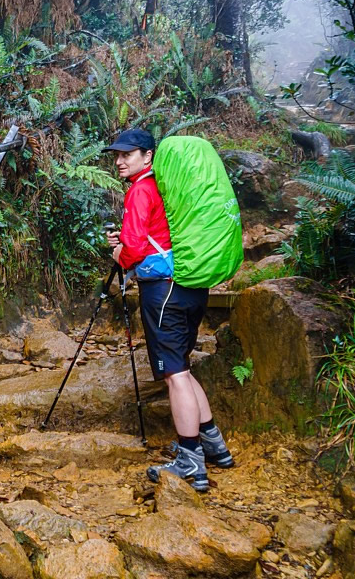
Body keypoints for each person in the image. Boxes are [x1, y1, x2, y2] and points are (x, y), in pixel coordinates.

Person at [103, 128, 233, 492]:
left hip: (164, 293)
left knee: (174, 375)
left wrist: (119, 253)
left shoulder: (141, 190)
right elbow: (152, 233)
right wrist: (130, 241)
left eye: (127, 154)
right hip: (191, 287)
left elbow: (132, 251)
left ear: (148, 156)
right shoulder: (167, 188)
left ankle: (190, 463)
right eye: (117, 155)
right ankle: (214, 447)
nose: (119, 161)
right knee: (184, 369)